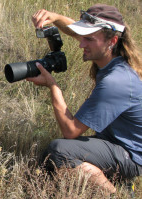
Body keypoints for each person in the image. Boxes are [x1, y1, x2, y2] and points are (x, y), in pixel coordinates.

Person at [27, 4, 142, 194]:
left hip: (132, 156)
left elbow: (70, 131)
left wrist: (53, 86)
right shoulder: (111, 57)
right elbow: (75, 30)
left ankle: (116, 194)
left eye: (88, 39)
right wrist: (55, 18)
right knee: (53, 161)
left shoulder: (117, 81)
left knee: (60, 151)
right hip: (115, 142)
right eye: (83, 37)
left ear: (112, 40)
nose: (81, 44)